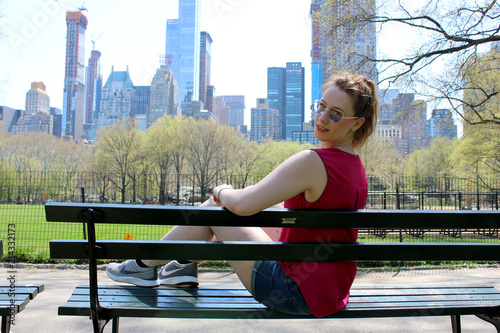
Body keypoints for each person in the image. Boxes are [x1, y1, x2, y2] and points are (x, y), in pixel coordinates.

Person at [106, 72, 379, 318]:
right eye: (321, 106)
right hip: (330, 292)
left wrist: (222, 190)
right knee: (243, 218)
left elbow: (243, 204)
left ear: (357, 124)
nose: (321, 117)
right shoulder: (356, 168)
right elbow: (303, 225)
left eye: (335, 114)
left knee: (217, 208)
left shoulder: (313, 161)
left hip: (291, 290)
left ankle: (143, 265)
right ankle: (181, 267)